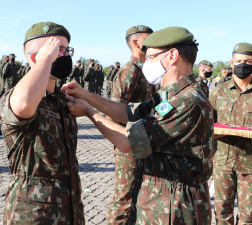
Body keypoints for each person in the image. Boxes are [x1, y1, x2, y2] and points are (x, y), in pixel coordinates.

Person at [63, 26, 213, 224]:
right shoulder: (171, 95)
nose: (146, 63)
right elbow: (127, 112)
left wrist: (90, 113)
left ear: (172, 55)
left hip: (175, 207)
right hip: (162, 199)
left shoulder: (186, 101)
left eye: (151, 57)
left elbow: (129, 141)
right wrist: (85, 95)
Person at [0, 21, 84, 225]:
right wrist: (45, 59)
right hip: (33, 214)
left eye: (66, 50)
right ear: (36, 57)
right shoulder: (15, 97)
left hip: (70, 209)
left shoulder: (62, 100)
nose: (65, 56)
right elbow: (23, 104)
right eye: (57, 50)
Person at [106, 25, 154, 225]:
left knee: (140, 199)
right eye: (150, 39)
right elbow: (113, 114)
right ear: (136, 43)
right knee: (125, 202)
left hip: (144, 144)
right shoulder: (129, 72)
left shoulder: (147, 70)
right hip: (129, 147)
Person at [209, 42, 252, 225]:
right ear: (231, 62)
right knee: (222, 215)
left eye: (248, 61)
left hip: (250, 164)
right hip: (223, 164)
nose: (243, 64)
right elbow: (207, 123)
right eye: (239, 60)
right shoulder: (219, 90)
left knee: (248, 217)